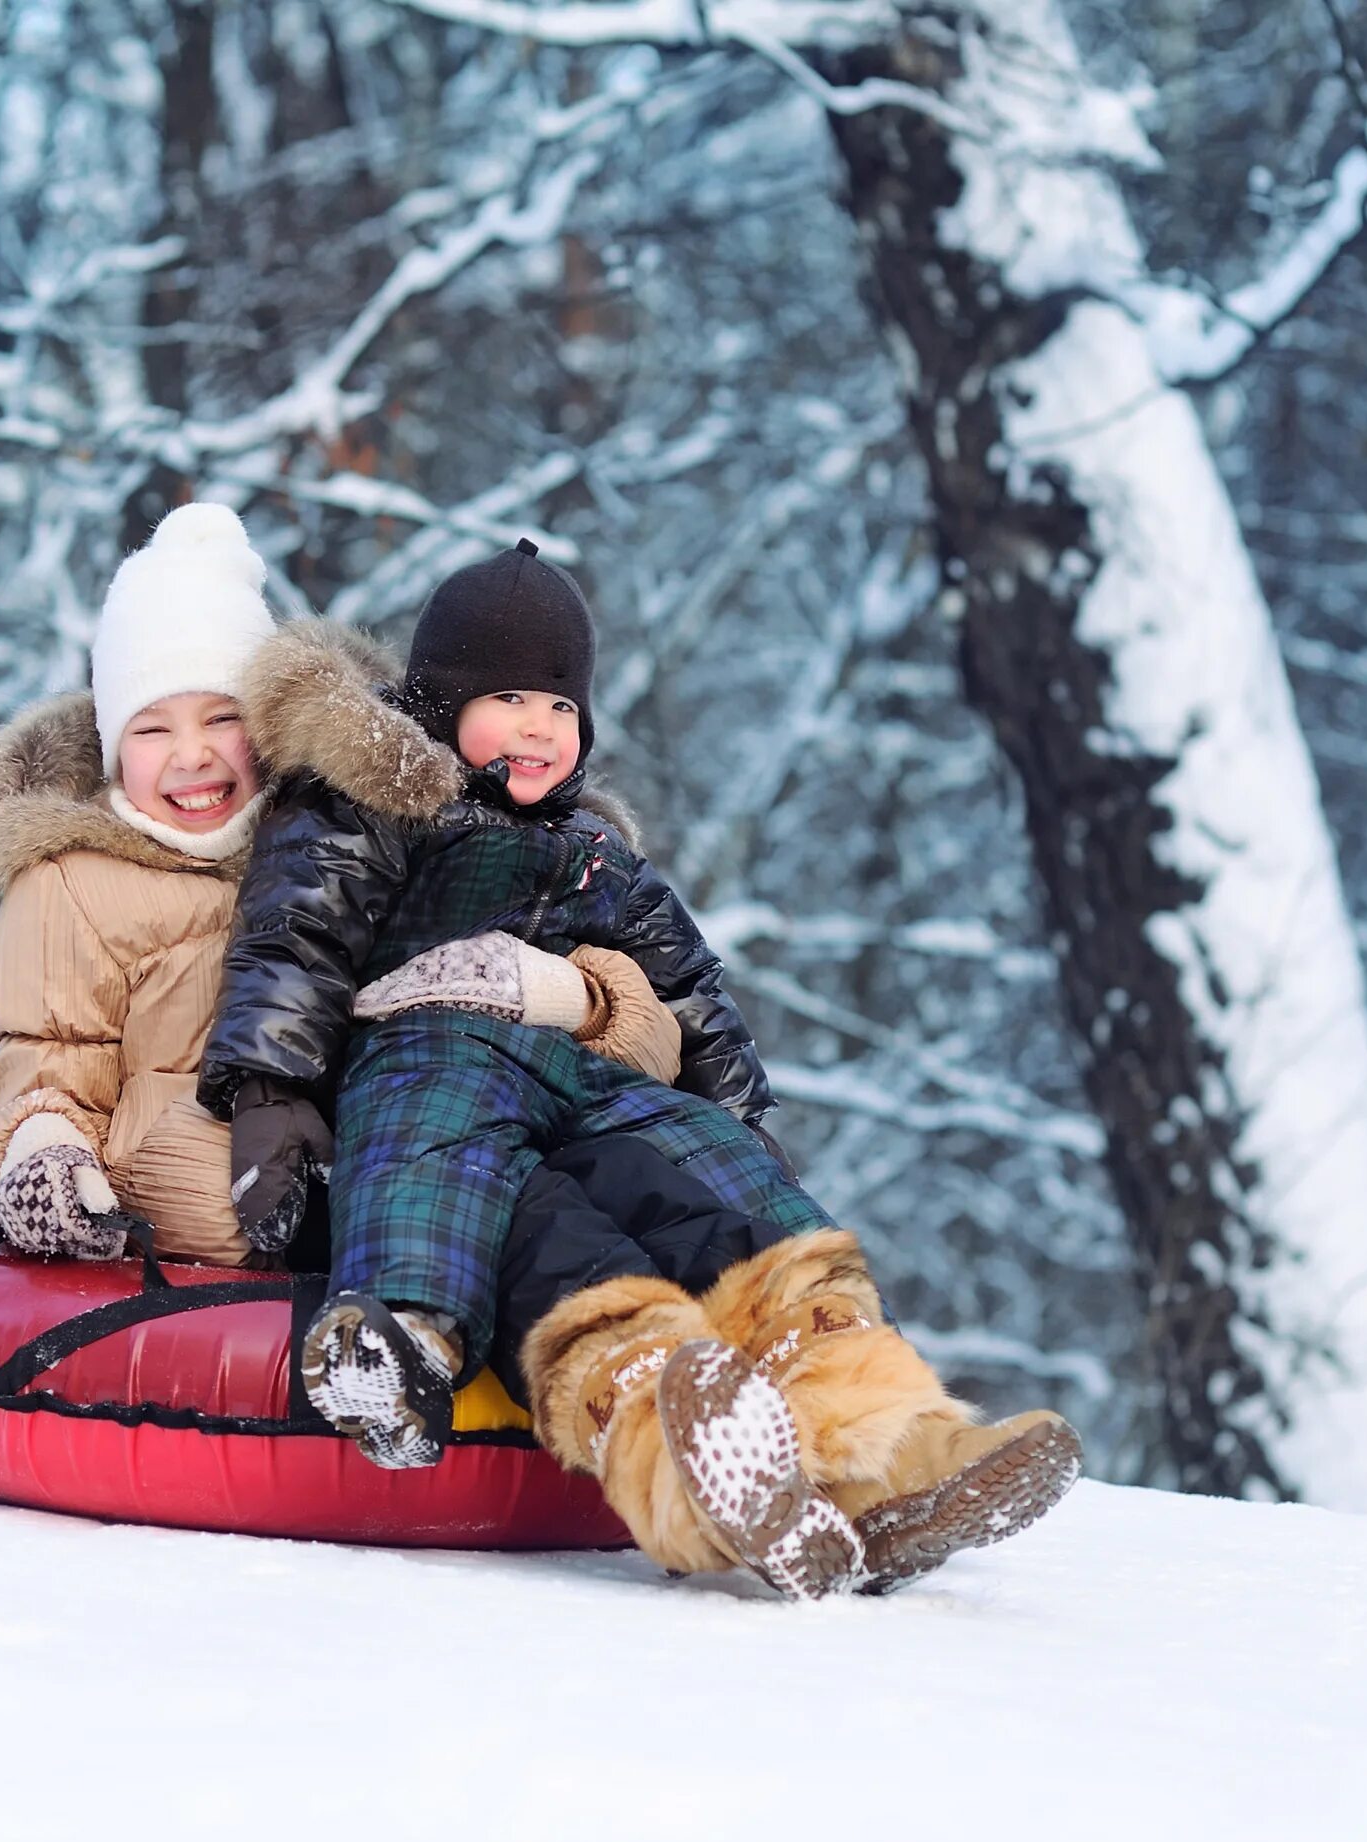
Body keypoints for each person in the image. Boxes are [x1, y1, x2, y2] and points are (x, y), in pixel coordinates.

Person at [204, 539, 1079, 1597]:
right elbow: (295, 935)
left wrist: (739, 1117)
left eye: (561, 708)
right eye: (511, 697)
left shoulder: (597, 849)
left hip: (585, 1071)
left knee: (714, 1175)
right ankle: (406, 1340)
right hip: (429, 1038)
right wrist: (271, 1089)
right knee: (445, 1157)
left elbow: (692, 990)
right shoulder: (375, 796)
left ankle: (893, 1444)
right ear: (437, 702)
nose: (540, 726)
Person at [0, 503, 680, 1267]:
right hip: (194, 1202)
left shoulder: (352, 842)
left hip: (400, 1160)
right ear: (110, 745)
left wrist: (577, 995)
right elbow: (50, 1057)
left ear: (270, 725)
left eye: (222, 719)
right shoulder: (74, 885)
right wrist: (44, 1147)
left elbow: (654, 1039)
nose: (192, 757)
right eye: (151, 729)